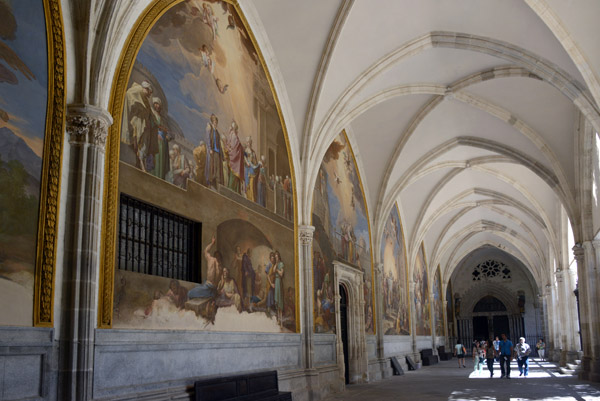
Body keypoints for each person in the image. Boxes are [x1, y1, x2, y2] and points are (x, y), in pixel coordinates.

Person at [188, 236, 222, 300]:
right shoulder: (211, 259)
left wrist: (217, 288)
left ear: (220, 257)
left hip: (211, 287)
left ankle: (211, 293)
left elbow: (219, 280)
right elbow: (206, 251)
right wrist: (212, 243)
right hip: (207, 284)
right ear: (214, 256)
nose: (217, 257)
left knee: (190, 293)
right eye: (216, 255)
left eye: (219, 256)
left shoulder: (219, 265)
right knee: (195, 287)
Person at [206, 114, 224, 189]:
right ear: (213, 122)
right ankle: (211, 183)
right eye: (214, 122)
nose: (216, 123)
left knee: (218, 169)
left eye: (216, 122)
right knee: (212, 168)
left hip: (217, 153)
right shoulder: (210, 130)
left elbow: (219, 144)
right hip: (212, 152)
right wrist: (210, 149)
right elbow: (208, 140)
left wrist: (222, 155)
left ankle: (217, 184)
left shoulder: (217, 133)